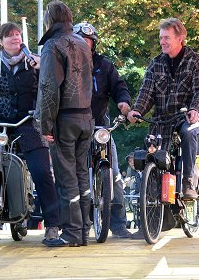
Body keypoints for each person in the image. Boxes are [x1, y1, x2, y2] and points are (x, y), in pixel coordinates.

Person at [0, 22, 60, 242]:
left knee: (42, 171)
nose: (15, 38)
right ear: (1, 41)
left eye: (17, 35)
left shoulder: (36, 60)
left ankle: (53, 225)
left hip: (28, 122)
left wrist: (42, 68)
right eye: (9, 36)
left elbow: (51, 88)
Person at [127, 18, 199, 238]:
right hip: (162, 118)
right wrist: (137, 110)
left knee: (187, 132)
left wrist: (196, 110)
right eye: (161, 37)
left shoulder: (196, 61)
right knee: (152, 155)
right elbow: (146, 92)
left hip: (187, 116)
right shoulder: (156, 64)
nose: (162, 41)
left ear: (180, 38)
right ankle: (151, 217)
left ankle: (189, 183)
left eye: (166, 37)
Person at [35, 0, 94, 247]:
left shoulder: (52, 46)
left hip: (65, 118)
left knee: (66, 178)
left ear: (50, 20)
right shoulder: (82, 43)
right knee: (82, 176)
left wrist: (44, 125)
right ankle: (83, 232)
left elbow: (49, 88)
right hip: (86, 117)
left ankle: (71, 233)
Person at [73, 22, 132, 239]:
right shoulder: (64, 65)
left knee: (114, 175)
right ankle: (75, 224)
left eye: (87, 41)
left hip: (100, 127)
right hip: (74, 129)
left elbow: (119, 87)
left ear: (93, 44)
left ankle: (118, 224)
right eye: (78, 41)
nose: (83, 45)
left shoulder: (105, 66)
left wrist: (124, 103)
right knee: (70, 175)